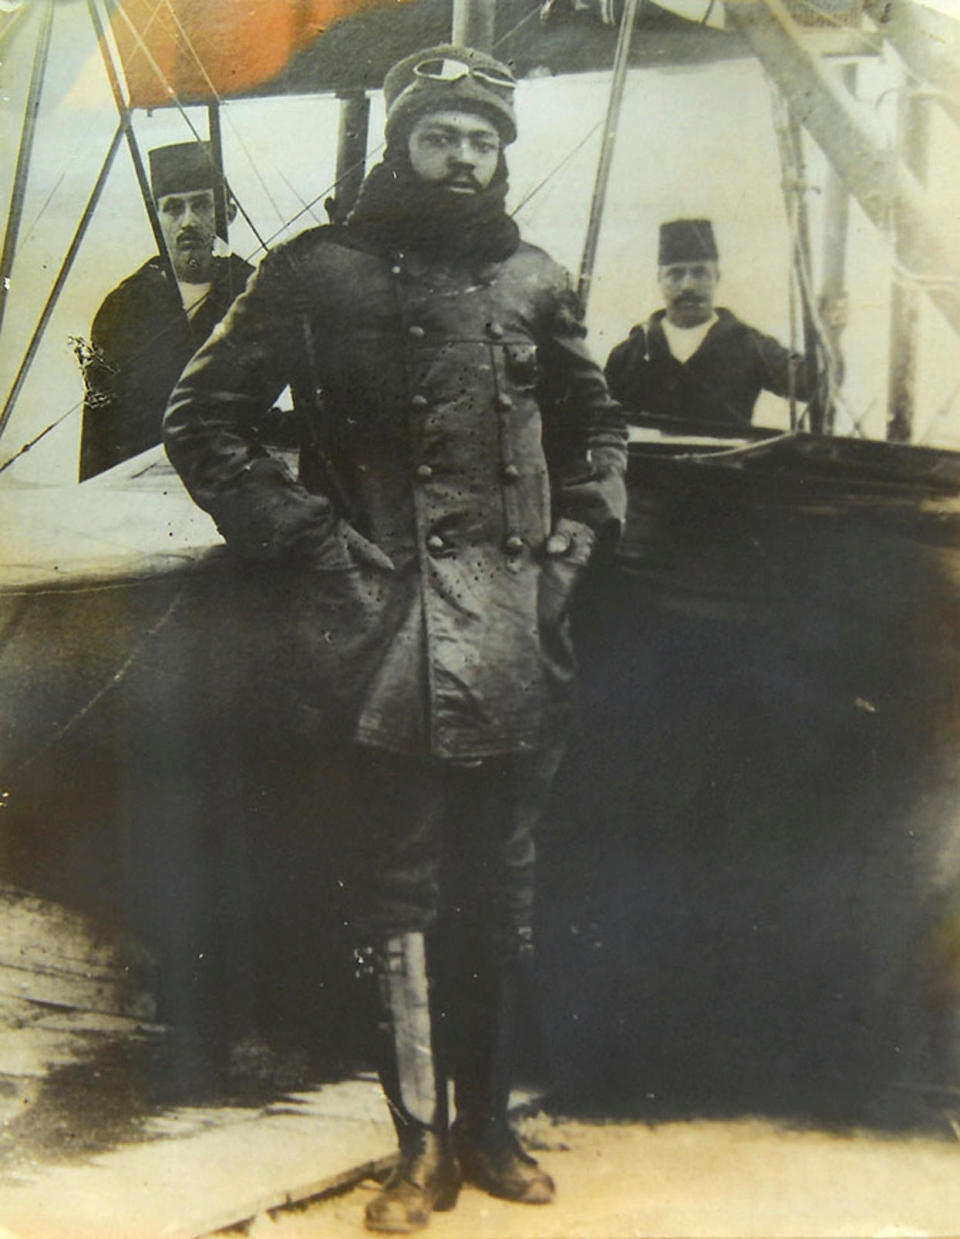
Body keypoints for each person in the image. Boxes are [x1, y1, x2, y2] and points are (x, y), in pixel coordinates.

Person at [163, 44, 627, 1234]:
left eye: (483, 140)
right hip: (385, 638)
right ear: (401, 145)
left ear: (500, 153)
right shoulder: (317, 276)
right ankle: (417, 1147)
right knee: (402, 893)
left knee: (505, 889)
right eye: (441, 136)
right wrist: (315, 548)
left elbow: (597, 430)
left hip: (519, 635)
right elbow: (203, 421)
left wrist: (572, 550)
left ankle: (491, 1124)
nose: (463, 159)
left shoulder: (533, 279)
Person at [78, 141, 253, 480]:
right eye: (173, 208)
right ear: (157, 219)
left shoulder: (256, 292)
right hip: (147, 490)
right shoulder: (124, 308)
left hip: (238, 481)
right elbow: (100, 433)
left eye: (201, 204)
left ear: (227, 213)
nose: (188, 221)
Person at [605, 218, 817, 426]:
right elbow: (598, 424)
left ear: (717, 276)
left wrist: (830, 334)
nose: (687, 286)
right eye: (675, 274)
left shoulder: (749, 344)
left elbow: (812, 383)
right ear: (659, 278)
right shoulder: (629, 354)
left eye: (699, 273)